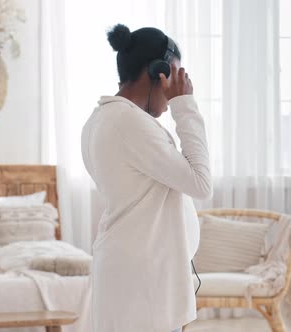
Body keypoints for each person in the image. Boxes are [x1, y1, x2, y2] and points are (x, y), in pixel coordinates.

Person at [81, 25, 212, 332]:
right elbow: (201, 182)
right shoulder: (129, 123)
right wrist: (185, 105)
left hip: (133, 269)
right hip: (141, 274)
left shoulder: (99, 119)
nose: (171, 93)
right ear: (158, 72)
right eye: (174, 78)